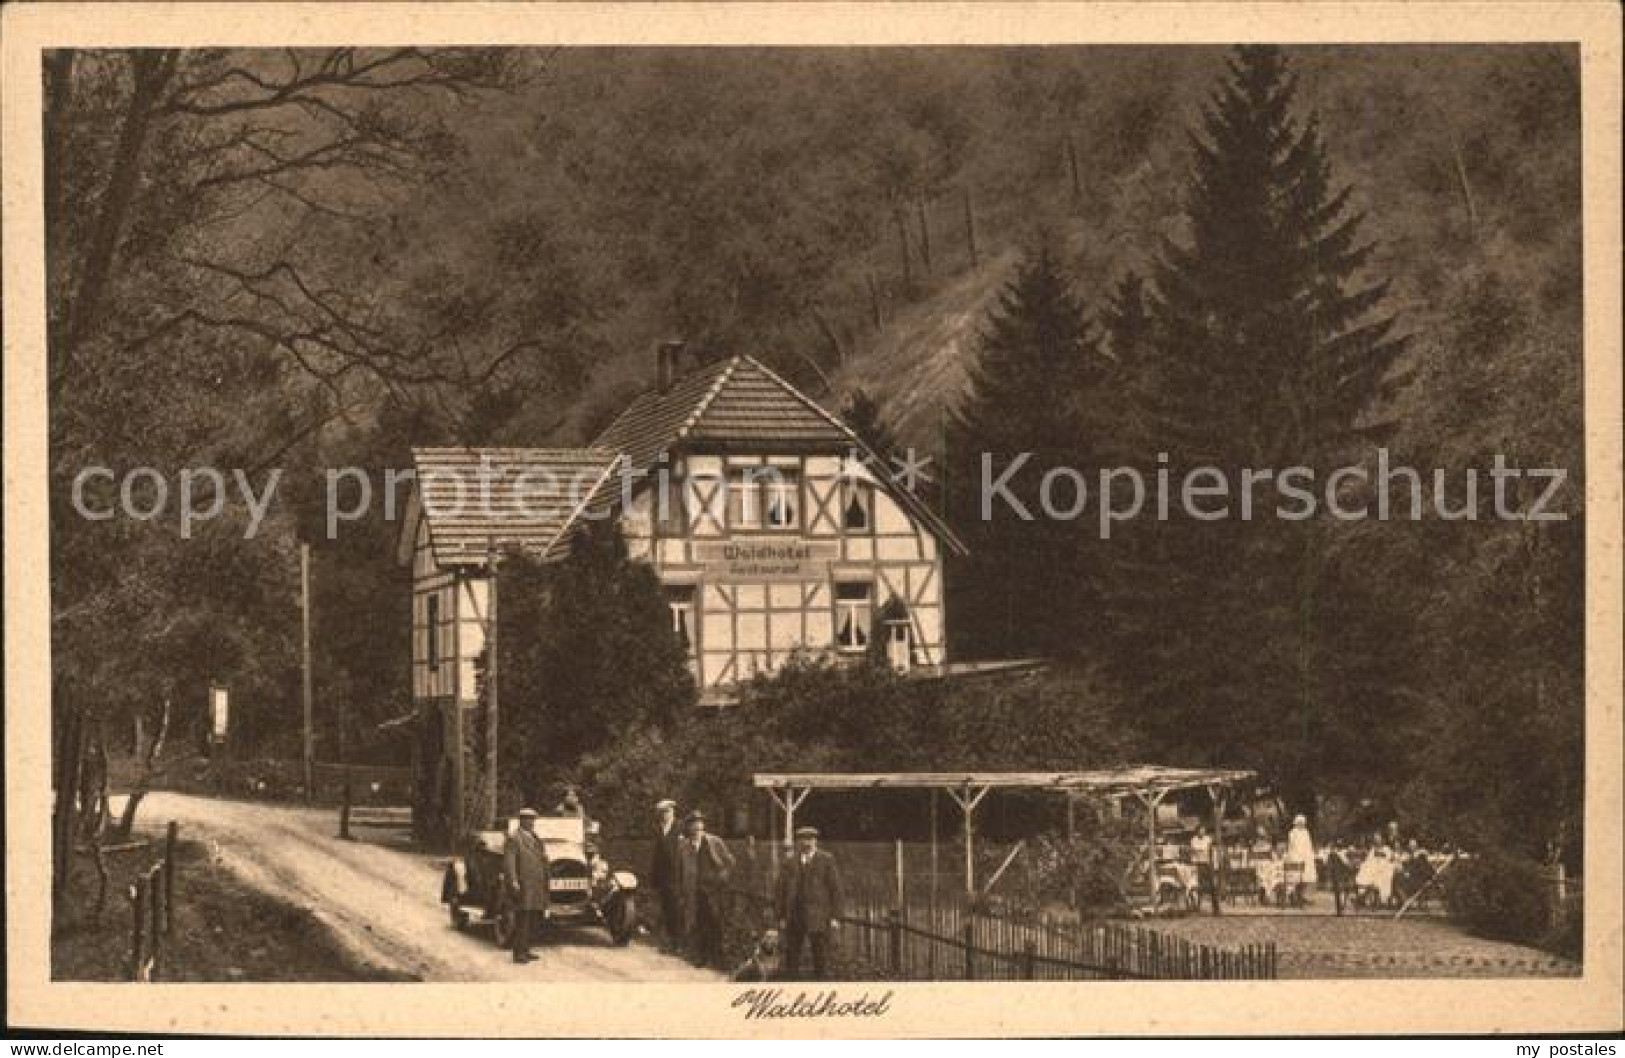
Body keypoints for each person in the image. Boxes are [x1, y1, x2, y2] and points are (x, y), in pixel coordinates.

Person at [776, 826, 845, 980]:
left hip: (818, 916)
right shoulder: (790, 862)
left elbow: (836, 889)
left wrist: (835, 917)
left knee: (820, 955)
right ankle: (791, 985)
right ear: (798, 842)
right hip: (794, 914)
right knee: (792, 955)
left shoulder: (826, 860)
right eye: (803, 839)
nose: (806, 843)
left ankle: (820, 985)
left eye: (810, 839)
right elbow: (781, 890)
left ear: (815, 841)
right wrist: (781, 916)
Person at [674, 810, 736, 969]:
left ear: (703, 827)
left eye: (700, 826)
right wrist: (682, 891)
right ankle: (702, 957)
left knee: (717, 924)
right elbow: (680, 871)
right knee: (699, 924)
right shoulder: (684, 847)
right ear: (688, 828)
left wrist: (723, 877)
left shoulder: (715, 842)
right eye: (694, 826)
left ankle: (719, 958)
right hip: (695, 892)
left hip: (714, 891)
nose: (697, 829)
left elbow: (730, 861)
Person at [503, 807, 550, 964]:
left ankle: (526, 949)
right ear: (521, 820)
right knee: (522, 919)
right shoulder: (514, 838)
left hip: (536, 884)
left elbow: (542, 858)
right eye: (527, 819)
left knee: (533, 918)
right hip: (523, 884)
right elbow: (509, 862)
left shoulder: (536, 838)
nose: (531, 822)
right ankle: (518, 953)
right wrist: (514, 881)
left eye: (532, 819)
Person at [650, 798, 682, 950]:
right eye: (662, 812)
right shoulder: (658, 829)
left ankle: (678, 942)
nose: (665, 815)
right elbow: (656, 855)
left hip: (677, 873)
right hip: (663, 875)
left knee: (676, 908)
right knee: (666, 907)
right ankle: (669, 941)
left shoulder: (680, 828)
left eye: (668, 811)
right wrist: (654, 877)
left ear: (673, 811)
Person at [1284, 814, 1318, 904]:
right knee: (1295, 876)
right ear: (1296, 823)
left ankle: (1302, 895)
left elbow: (1308, 846)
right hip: (1296, 856)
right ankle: (1294, 896)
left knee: (1306, 877)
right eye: (1299, 823)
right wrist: (1294, 856)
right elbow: (1292, 846)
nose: (1301, 825)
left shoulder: (1306, 832)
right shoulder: (1292, 833)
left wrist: (1310, 857)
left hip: (1306, 857)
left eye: (1302, 823)